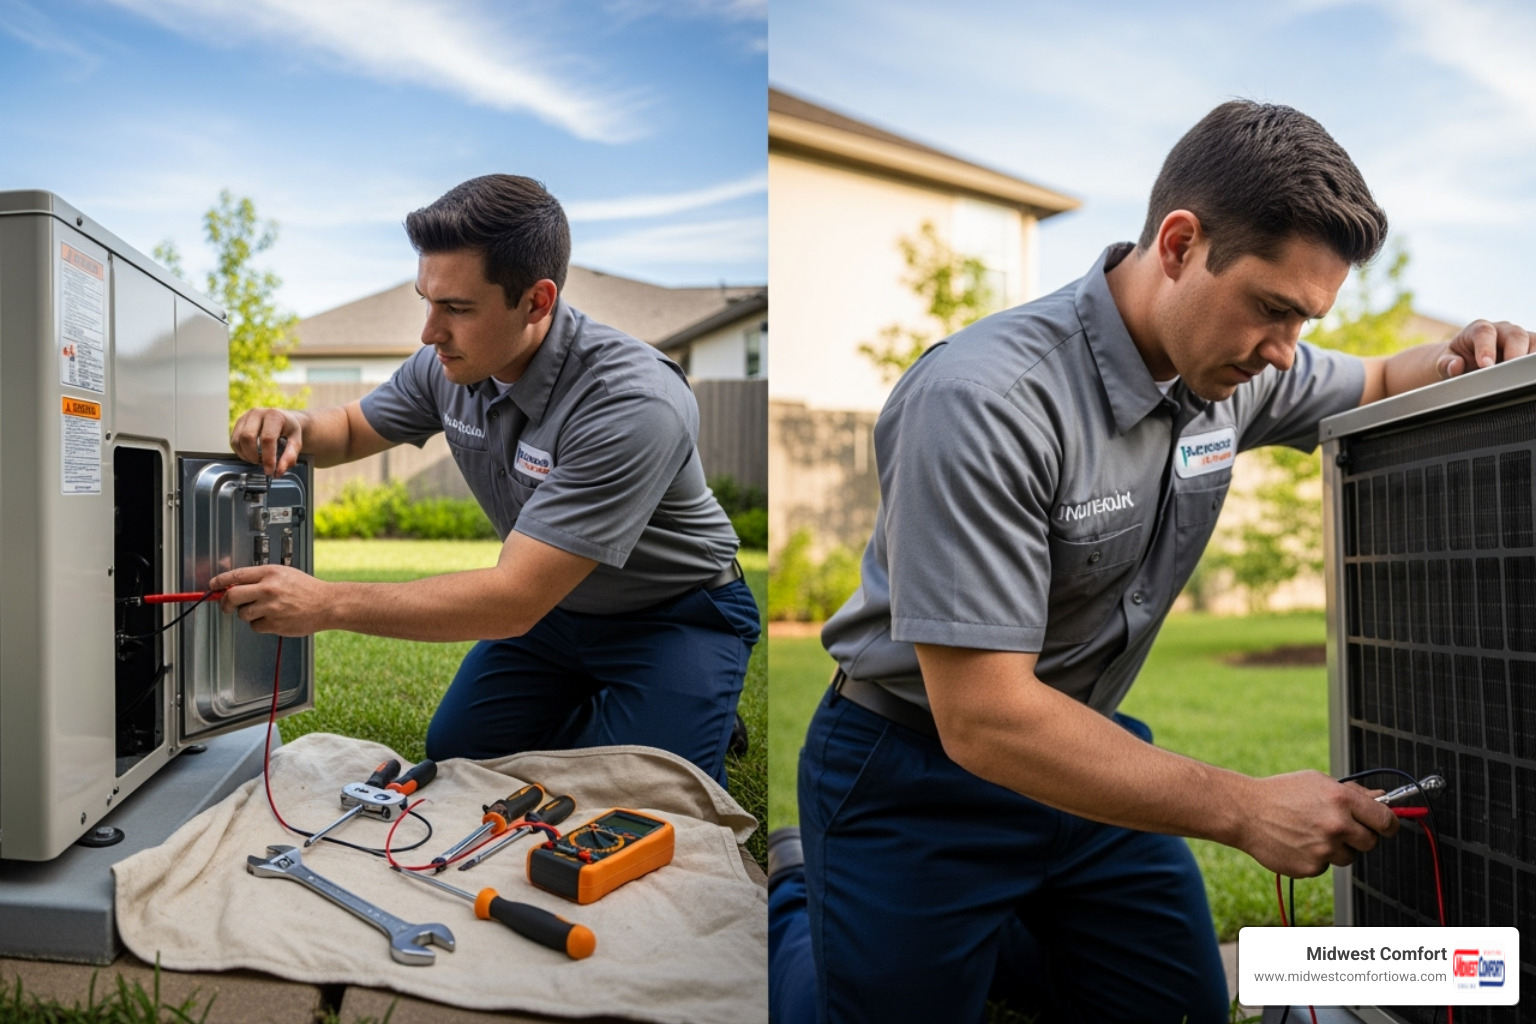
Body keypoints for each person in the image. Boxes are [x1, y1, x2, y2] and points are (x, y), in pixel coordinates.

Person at [768, 100, 1532, 1023]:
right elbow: (985, 718)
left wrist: (1465, 354)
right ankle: (800, 891)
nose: (1284, 353)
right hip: (918, 772)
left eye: (1305, 319)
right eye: (1273, 309)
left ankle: (991, 934)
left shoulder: (1232, 370)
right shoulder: (984, 401)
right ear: (1178, 244)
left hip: (1089, 761)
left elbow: (1374, 379)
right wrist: (1245, 808)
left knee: (1178, 1010)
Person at [209, 174, 759, 787]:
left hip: (674, 611)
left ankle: (686, 706)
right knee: (461, 750)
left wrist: (327, 602)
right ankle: (636, 708)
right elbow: (351, 427)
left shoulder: (631, 401)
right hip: (557, 614)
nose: (429, 332)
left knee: (642, 786)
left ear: (537, 301)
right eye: (427, 300)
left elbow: (513, 598)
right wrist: (297, 425)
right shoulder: (446, 365)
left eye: (457, 308)